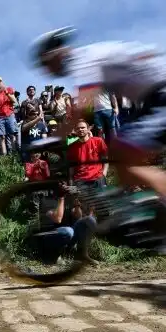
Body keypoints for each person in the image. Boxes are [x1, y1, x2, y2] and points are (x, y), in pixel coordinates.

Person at [31, 26, 166, 253]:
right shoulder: (90, 57)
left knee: (122, 151)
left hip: (160, 94)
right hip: (151, 99)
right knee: (119, 152)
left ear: (55, 54)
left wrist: (51, 139)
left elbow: (85, 107)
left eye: (46, 64)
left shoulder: (84, 59)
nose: (47, 71)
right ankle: (141, 214)